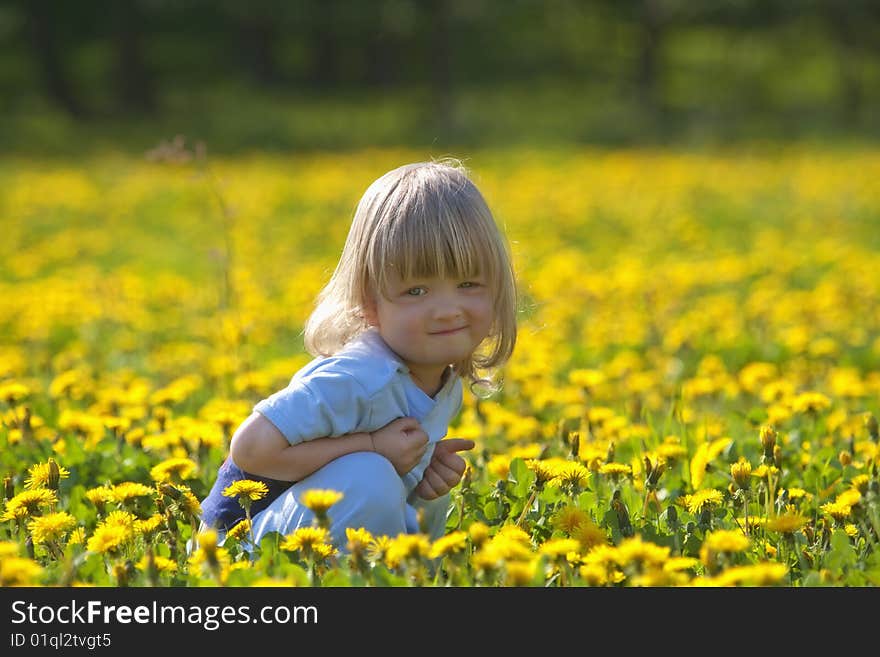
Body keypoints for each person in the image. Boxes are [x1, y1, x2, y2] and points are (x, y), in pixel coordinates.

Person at [199, 159, 518, 550]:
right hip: (238, 546)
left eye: (468, 283)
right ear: (370, 303)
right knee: (370, 476)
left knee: (399, 489)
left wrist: (423, 483)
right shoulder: (358, 378)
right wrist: (371, 446)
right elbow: (250, 449)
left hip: (308, 529)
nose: (447, 309)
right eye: (417, 291)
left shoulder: (442, 382)